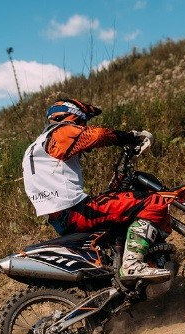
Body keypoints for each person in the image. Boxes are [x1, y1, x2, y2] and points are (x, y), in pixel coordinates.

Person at [22, 98, 171, 282]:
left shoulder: (34, 147)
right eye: (83, 122)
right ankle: (132, 265)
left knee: (116, 204)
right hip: (76, 212)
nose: (84, 127)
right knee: (153, 201)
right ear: (72, 117)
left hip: (60, 219)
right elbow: (97, 135)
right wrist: (127, 137)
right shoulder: (60, 132)